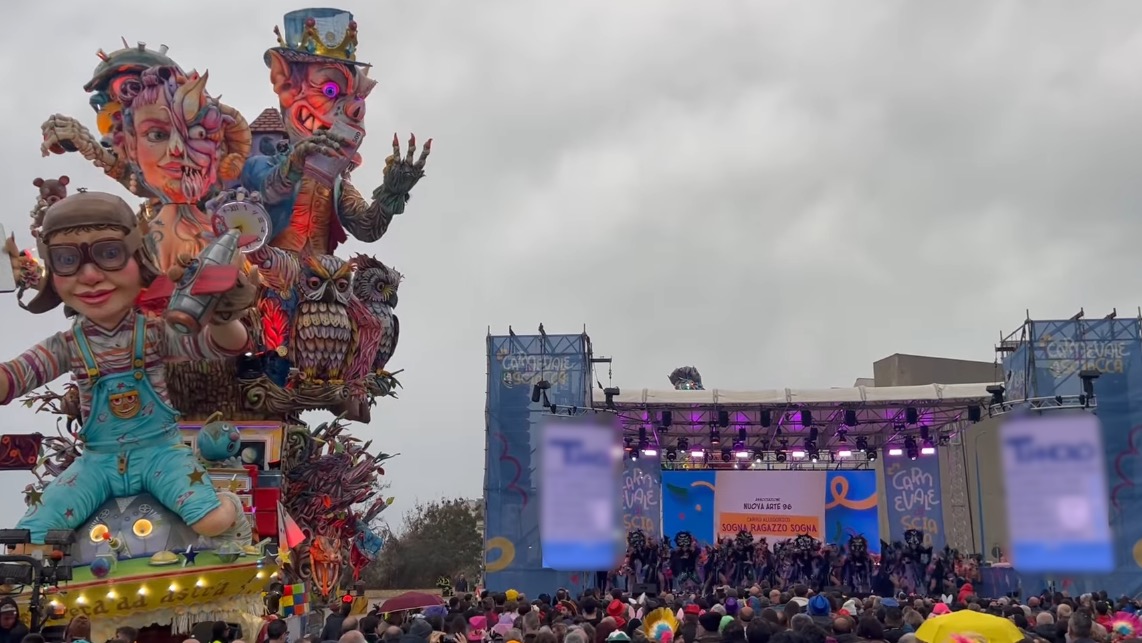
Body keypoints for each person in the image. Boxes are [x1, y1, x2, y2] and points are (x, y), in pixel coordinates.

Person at [5, 191, 255, 543]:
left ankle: (232, 506)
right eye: (67, 259)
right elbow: (15, 376)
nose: (90, 275)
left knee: (211, 520)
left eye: (109, 254)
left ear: (139, 259)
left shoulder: (153, 333)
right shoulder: (66, 346)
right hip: (96, 464)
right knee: (26, 537)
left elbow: (223, 344)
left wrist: (224, 316)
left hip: (161, 455)